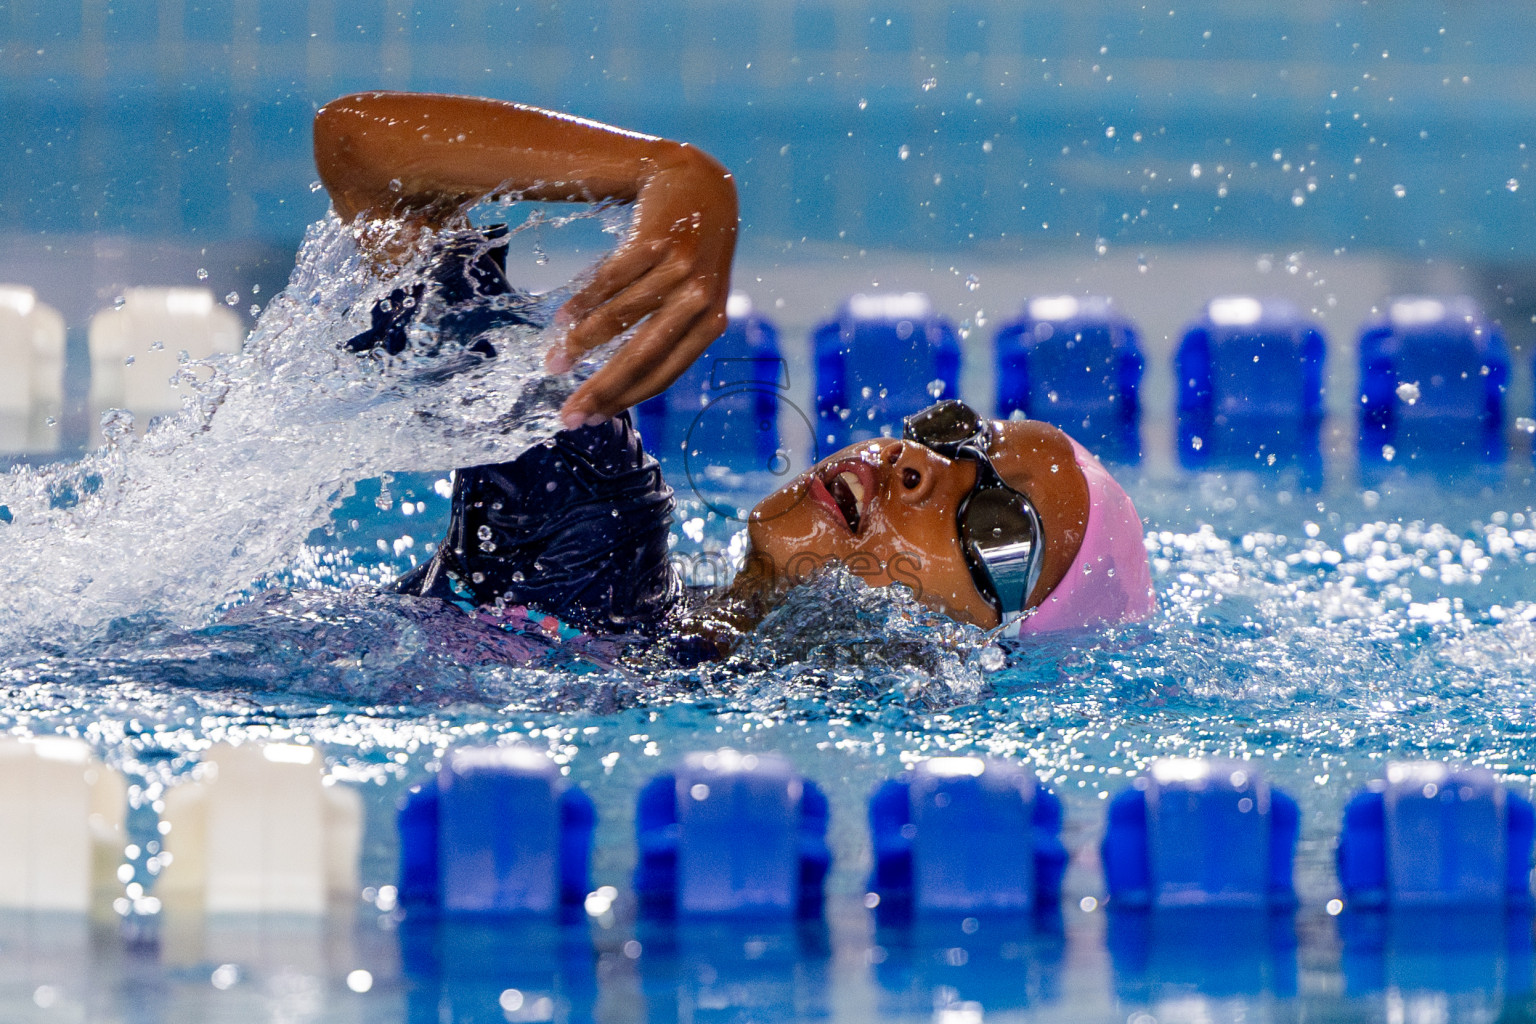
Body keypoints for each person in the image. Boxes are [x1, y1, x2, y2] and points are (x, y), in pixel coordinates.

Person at [312, 91, 1154, 653]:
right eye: (957, 436)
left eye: (997, 525)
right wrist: (671, 175)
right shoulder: (587, 534)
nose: (918, 463)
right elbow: (364, 153)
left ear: (980, 651)